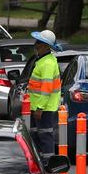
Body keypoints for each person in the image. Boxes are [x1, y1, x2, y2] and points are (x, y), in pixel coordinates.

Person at [26, 29, 63, 159]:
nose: (36, 45)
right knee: (37, 137)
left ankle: (48, 166)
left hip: (44, 109)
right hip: (39, 107)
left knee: (45, 138)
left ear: (46, 46)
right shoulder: (44, 61)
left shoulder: (47, 63)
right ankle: (41, 163)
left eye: (39, 43)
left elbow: (46, 88)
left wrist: (40, 107)